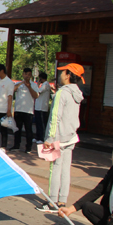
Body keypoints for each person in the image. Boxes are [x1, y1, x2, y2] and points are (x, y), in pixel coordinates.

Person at [37, 63, 85, 210]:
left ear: (68, 75)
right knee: (65, 169)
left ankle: (52, 202)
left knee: (55, 169)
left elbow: (55, 117)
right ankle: (62, 201)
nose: (60, 75)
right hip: (70, 136)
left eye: (63, 72)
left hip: (58, 138)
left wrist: (49, 138)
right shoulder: (77, 93)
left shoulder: (62, 93)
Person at [11, 68, 39, 153]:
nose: (27, 76)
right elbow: (13, 90)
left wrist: (29, 87)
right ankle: (16, 145)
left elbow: (36, 96)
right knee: (17, 129)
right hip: (18, 110)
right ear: (23, 74)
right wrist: (22, 83)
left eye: (29, 74)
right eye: (25, 74)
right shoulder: (19, 84)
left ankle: (28, 147)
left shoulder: (34, 85)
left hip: (28, 111)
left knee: (28, 130)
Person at [34, 72, 52, 143]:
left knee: (41, 123)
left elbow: (38, 91)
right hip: (38, 107)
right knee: (38, 123)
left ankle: (42, 138)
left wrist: (37, 85)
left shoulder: (45, 84)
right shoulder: (44, 85)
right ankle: (37, 137)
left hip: (42, 107)